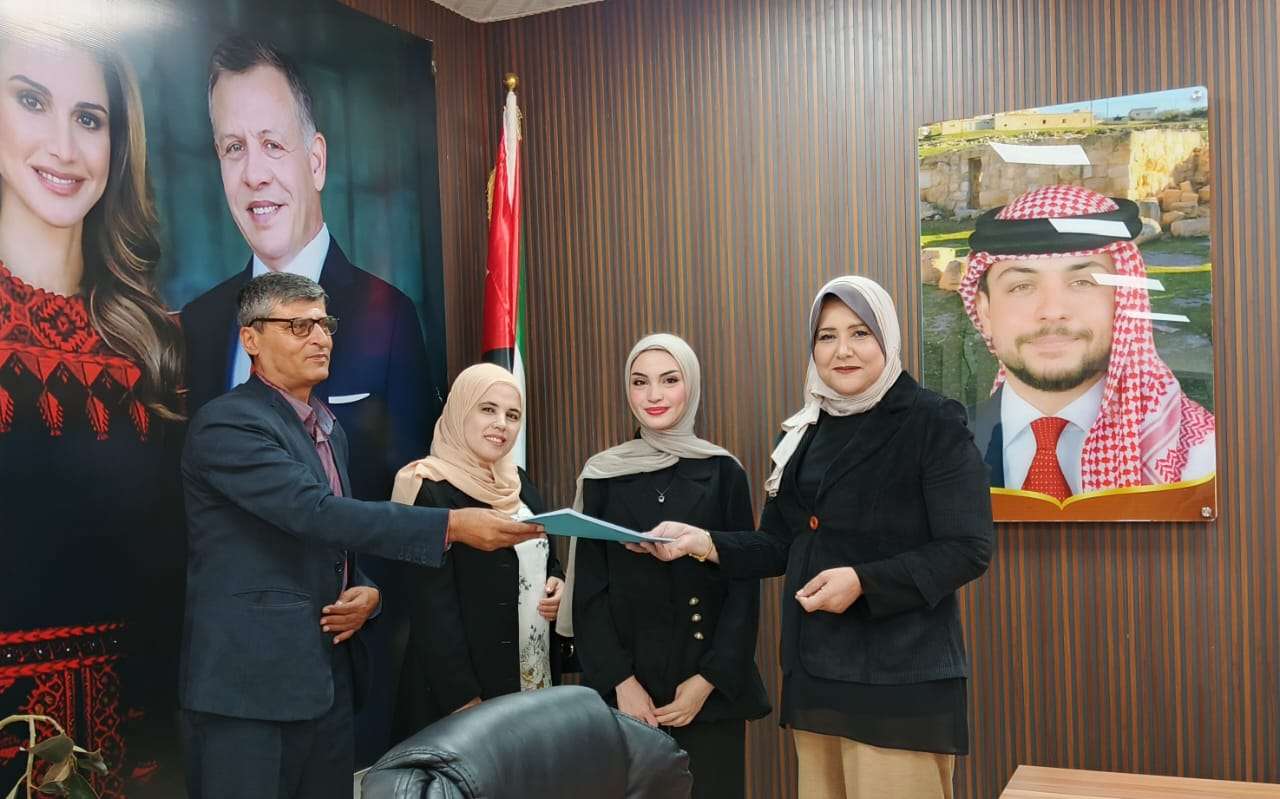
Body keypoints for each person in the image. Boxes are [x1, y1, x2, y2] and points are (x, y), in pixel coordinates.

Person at [179, 272, 541, 799]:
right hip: (250, 692)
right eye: (298, 326)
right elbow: (314, 512)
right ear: (251, 338)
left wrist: (365, 589)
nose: (320, 338)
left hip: (327, 684)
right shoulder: (229, 424)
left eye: (324, 324)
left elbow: (330, 541)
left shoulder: (328, 428)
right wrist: (453, 524)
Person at [179, 34, 437, 762]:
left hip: (340, 674)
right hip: (229, 684)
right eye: (233, 148)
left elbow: (415, 479)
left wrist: (379, 589)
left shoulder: (390, 315)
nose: (254, 172)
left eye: (273, 144)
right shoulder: (198, 323)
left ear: (316, 158)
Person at [634, 280, 993, 799]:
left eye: (860, 333)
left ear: (887, 338)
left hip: (899, 681)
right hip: (817, 675)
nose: (842, 350)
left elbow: (967, 547)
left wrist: (863, 582)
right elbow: (780, 544)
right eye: (827, 336)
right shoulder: (804, 431)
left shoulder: (931, 420)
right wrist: (703, 542)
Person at [0, 31, 186, 797]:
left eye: (89, 117)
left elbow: (178, 560)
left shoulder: (159, 342)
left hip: (140, 745)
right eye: (30, 101)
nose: (64, 146)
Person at [565, 333, 770, 799]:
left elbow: (743, 590)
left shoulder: (724, 471)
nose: (653, 395)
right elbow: (589, 592)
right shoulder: (602, 474)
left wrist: (708, 680)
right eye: (640, 382)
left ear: (690, 386)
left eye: (669, 380)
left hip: (707, 691)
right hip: (623, 692)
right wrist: (621, 683)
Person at [960, 184, 1215, 499]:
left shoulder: (1204, 457)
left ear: (1122, 300)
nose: (1053, 311)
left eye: (1082, 282)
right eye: (1022, 286)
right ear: (984, 311)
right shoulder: (935, 448)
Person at [390, 363, 564, 736]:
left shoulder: (517, 481)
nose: (502, 424)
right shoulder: (426, 488)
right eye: (487, 409)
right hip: (463, 695)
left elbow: (544, 553)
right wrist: (464, 701)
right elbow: (430, 611)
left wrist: (557, 581)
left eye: (512, 415)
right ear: (459, 410)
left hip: (533, 673)